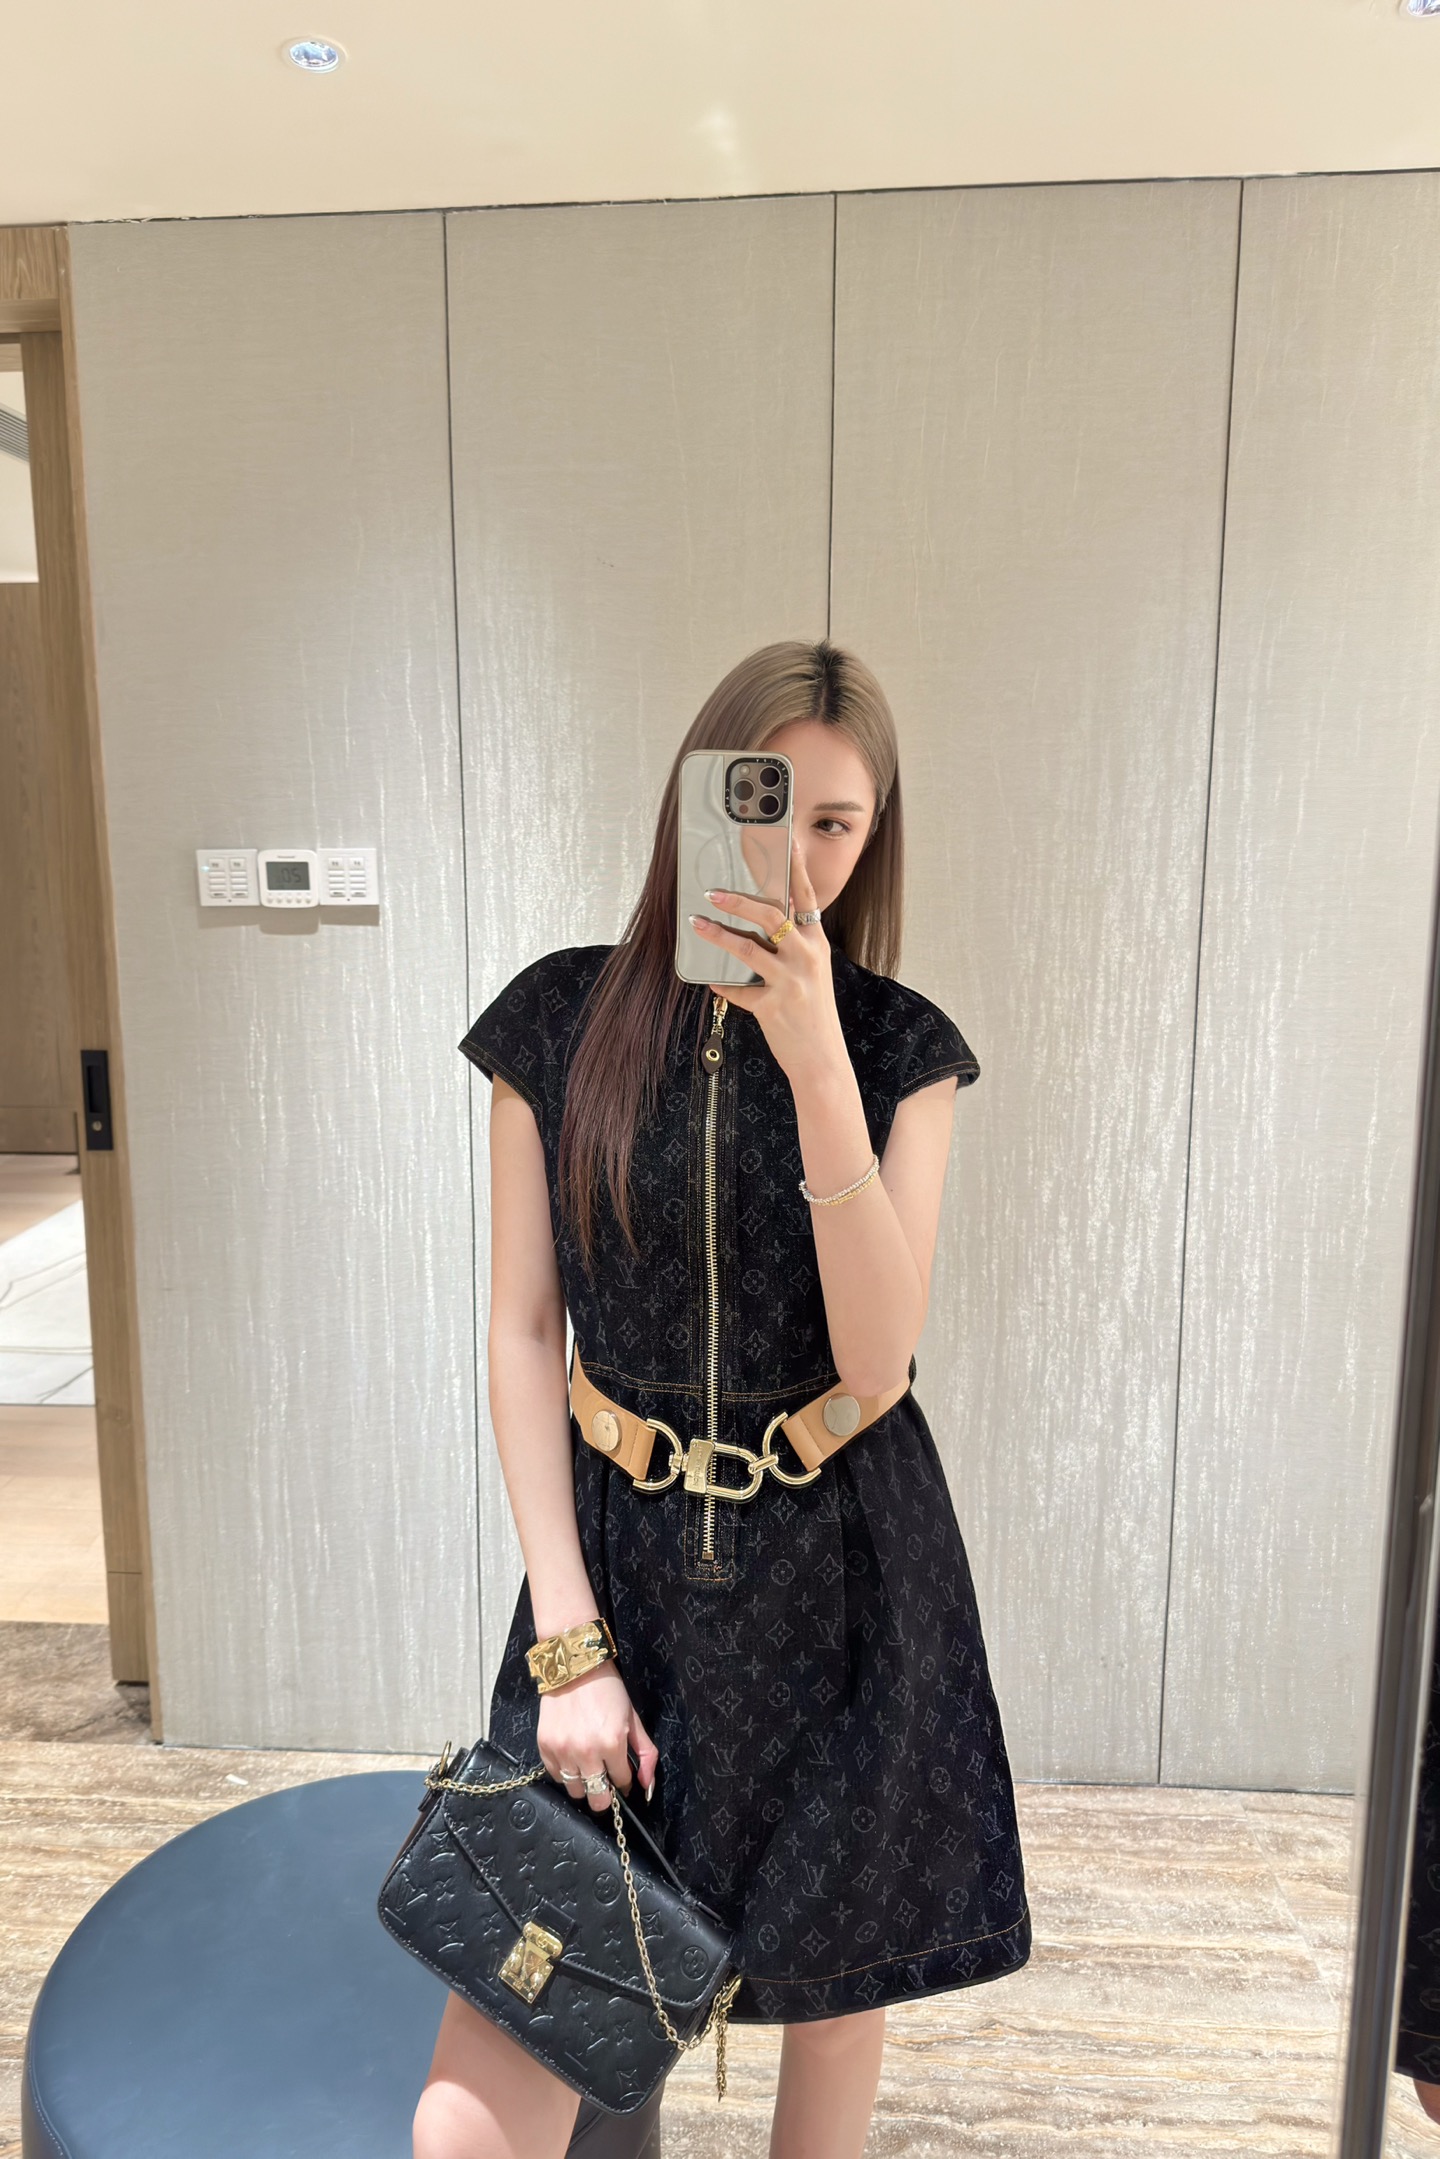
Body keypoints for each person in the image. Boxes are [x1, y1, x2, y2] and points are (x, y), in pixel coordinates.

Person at [413, 640, 1031, 2159]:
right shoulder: (556, 1022)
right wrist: (568, 1647)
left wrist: (815, 1059)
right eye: (768, 805)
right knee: (488, 2093)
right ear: (696, 799)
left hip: (844, 1569)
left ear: (875, 836)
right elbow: (523, 1333)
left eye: (838, 822)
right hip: (616, 1568)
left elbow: (878, 1361)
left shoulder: (901, 1050)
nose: (798, 855)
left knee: (829, 2004)